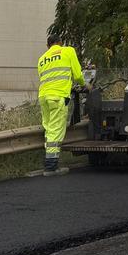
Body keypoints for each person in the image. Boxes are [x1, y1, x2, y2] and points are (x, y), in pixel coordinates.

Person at [36, 34, 84, 176]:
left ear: (48, 46)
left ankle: (48, 160)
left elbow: (45, 77)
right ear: (60, 43)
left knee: (49, 128)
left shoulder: (42, 59)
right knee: (56, 130)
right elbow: (78, 75)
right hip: (58, 97)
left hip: (43, 96)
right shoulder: (68, 51)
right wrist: (84, 85)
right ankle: (51, 166)